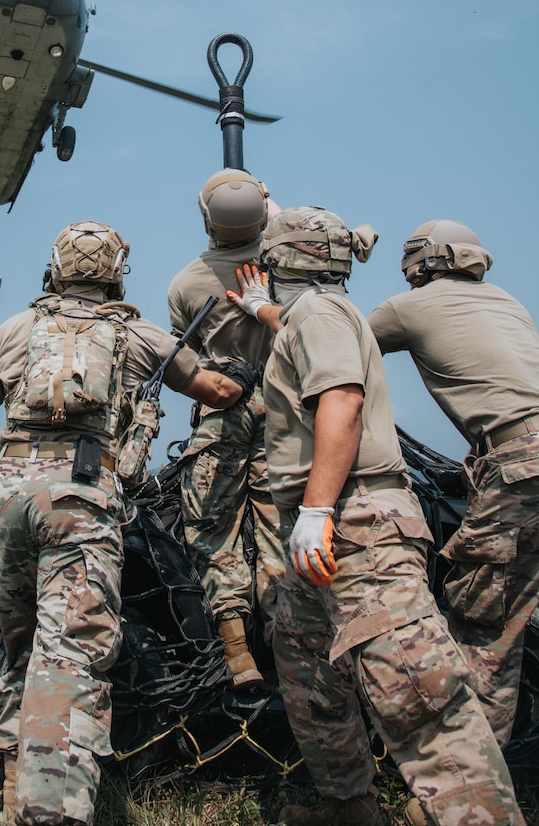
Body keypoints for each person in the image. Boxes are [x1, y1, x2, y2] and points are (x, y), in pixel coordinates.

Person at [228, 207, 525, 826]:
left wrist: (315, 511)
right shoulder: (318, 314)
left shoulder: (321, 313)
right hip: (330, 530)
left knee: (418, 693)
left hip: (354, 522)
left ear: (282, 261)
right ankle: (350, 809)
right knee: (306, 664)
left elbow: (341, 396)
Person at [0, 221, 249, 826]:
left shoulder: (15, 329)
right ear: (117, 272)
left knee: (21, 650)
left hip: (6, 499)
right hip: (81, 501)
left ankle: (17, 795)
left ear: (55, 267)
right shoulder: (137, 334)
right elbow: (217, 390)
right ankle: (51, 814)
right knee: (70, 657)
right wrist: (239, 367)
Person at [368, 218, 539, 750]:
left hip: (520, 463)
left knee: (485, 619)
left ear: (420, 261)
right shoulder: (505, 300)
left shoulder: (410, 307)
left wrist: (264, 305)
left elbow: (334, 341)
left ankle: (473, 777)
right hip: (519, 456)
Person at [167, 168, 286, 685]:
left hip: (221, 414)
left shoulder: (187, 283)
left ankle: (238, 657)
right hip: (284, 415)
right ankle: (287, 646)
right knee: (281, 530)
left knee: (214, 532)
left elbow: (182, 360)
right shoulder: (285, 268)